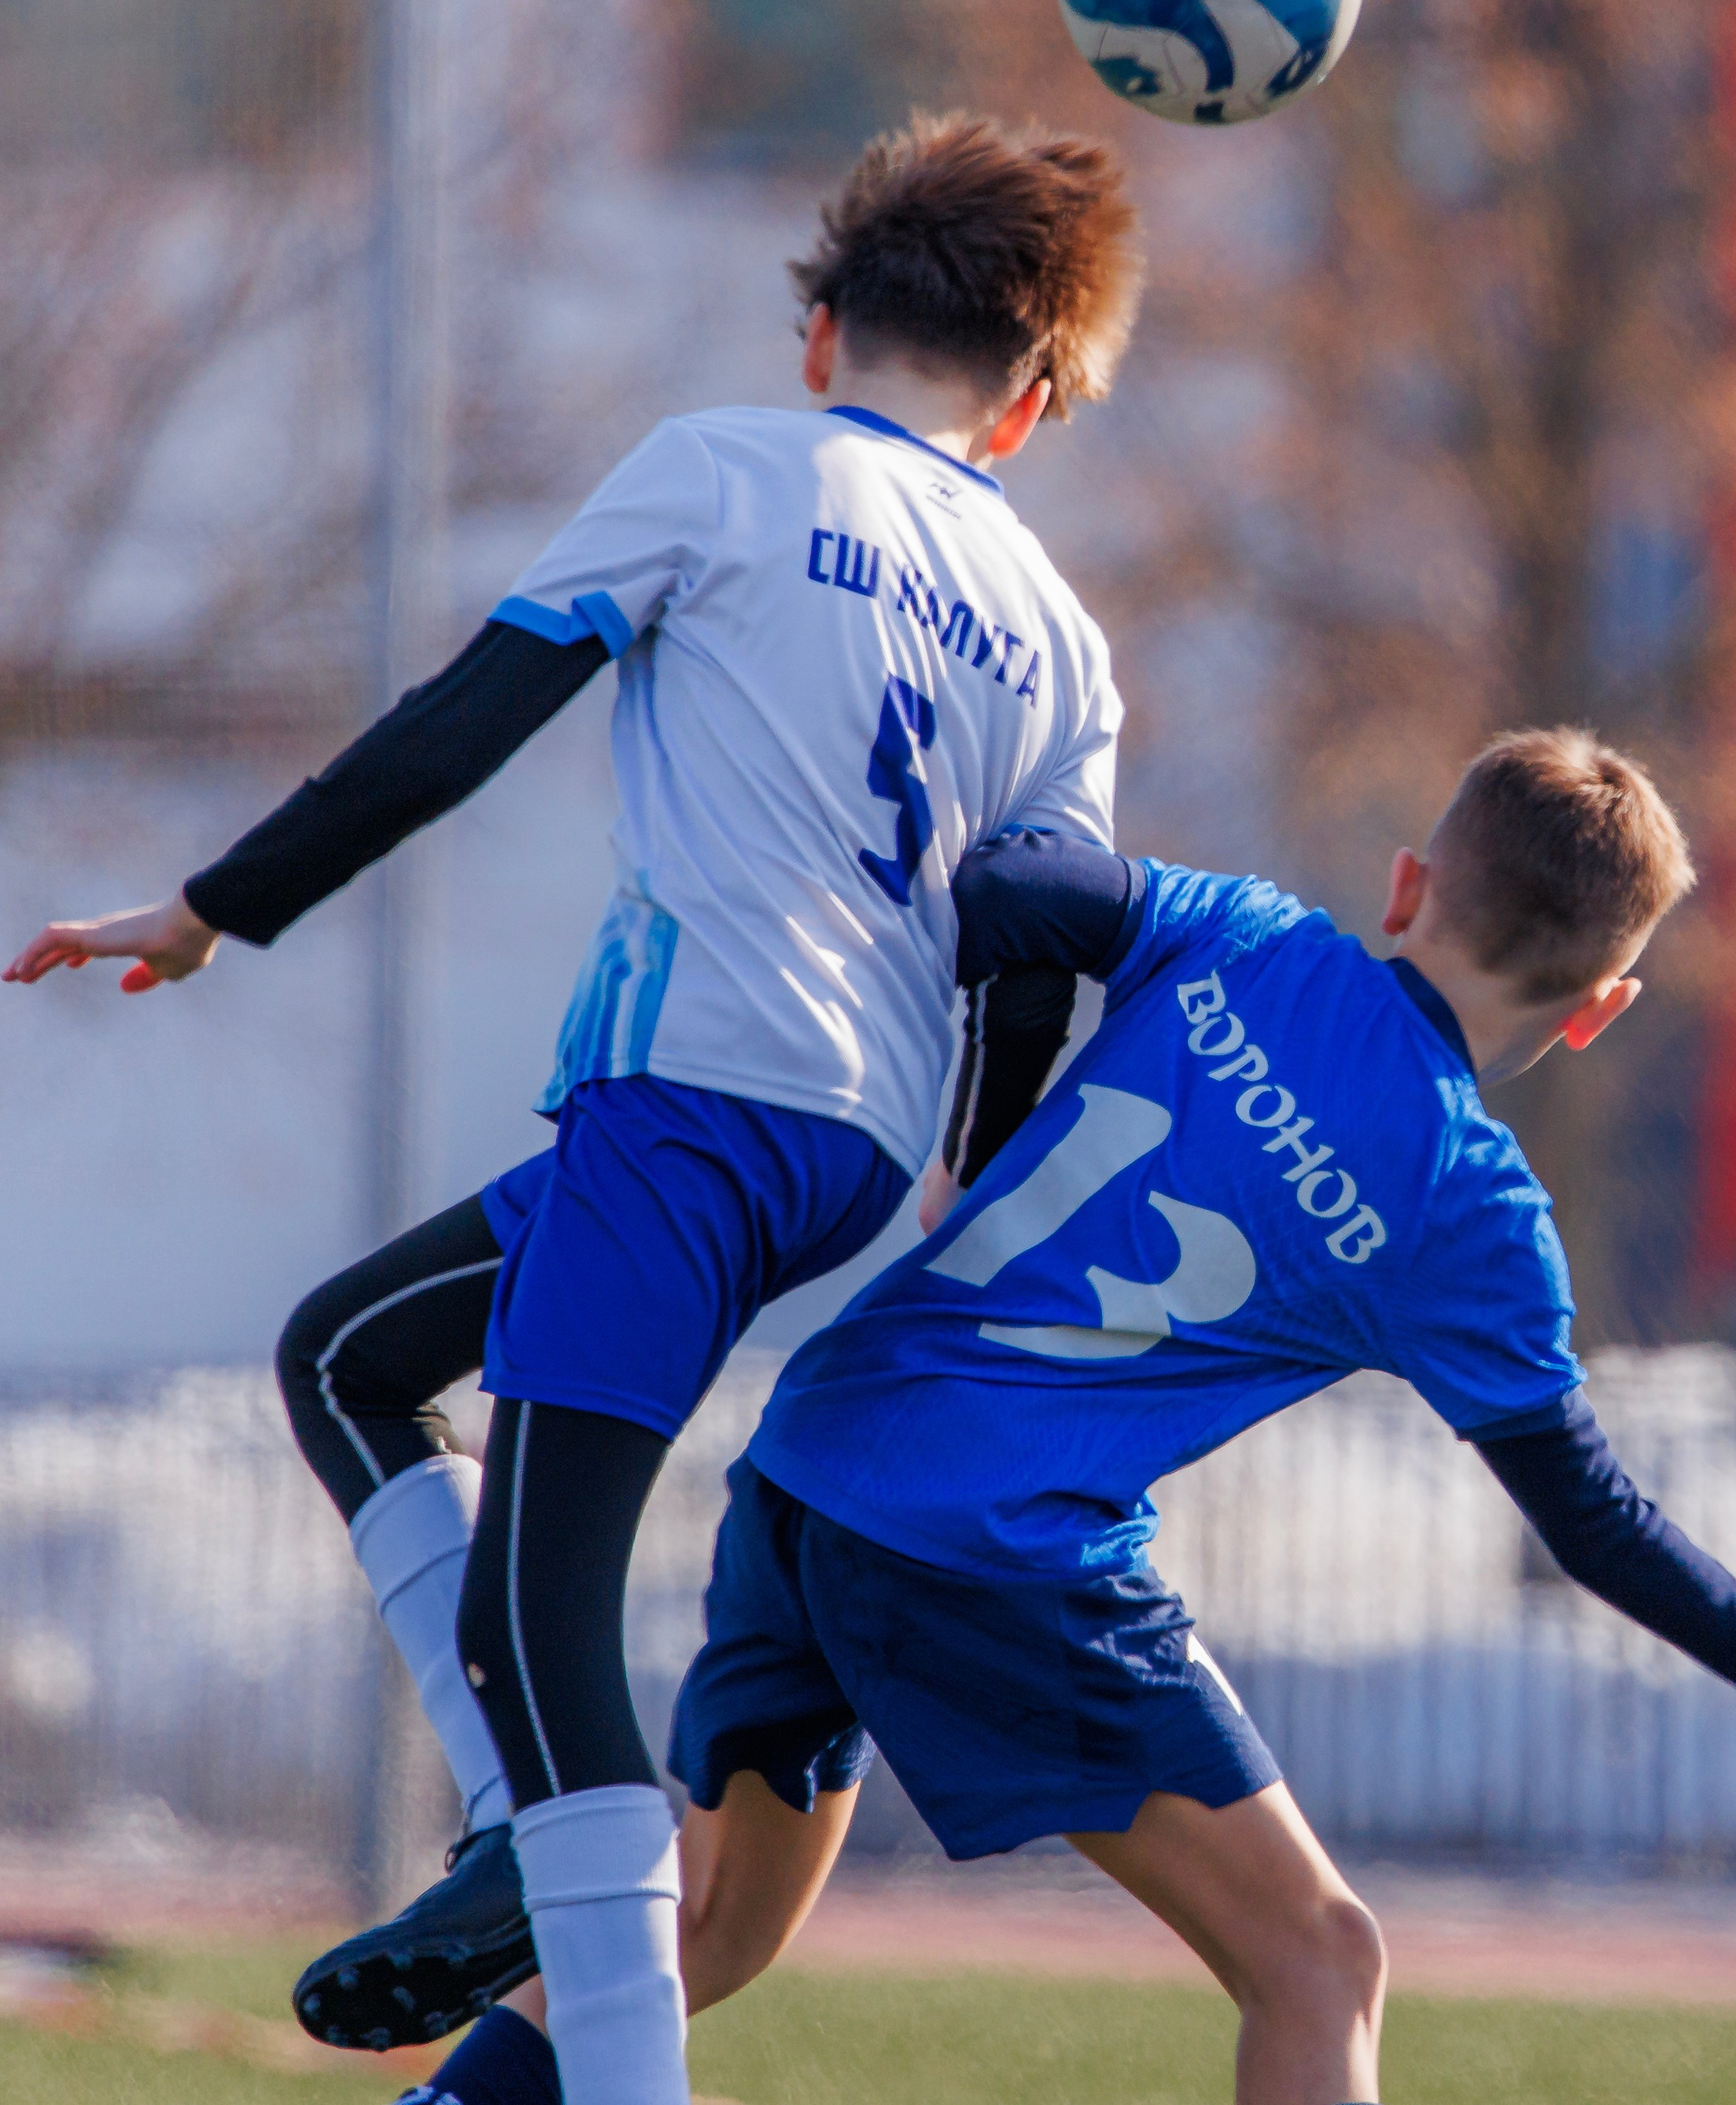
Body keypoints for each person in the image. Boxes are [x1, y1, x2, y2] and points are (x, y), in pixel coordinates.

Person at [4, 110, 1141, 2105]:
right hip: (850, 1149)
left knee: (548, 1653)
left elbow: (464, 716)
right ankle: (513, 1843)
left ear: (818, 331)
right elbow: (1040, 941)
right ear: (1034, 400)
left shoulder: (724, 463)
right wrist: (973, 1172)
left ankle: (546, 1892)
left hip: (689, 1104)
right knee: (349, 1352)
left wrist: (208, 911)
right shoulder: (1056, 631)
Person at [409, 728, 1736, 2105]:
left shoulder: (1245, 936)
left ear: (1403, 883)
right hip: (996, 1550)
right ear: (1599, 1007)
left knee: (702, 1932)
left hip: (812, 1467)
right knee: (1318, 1961)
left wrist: (985, 1115)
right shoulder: (1468, 1210)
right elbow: (1594, 1526)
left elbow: (1013, 889)